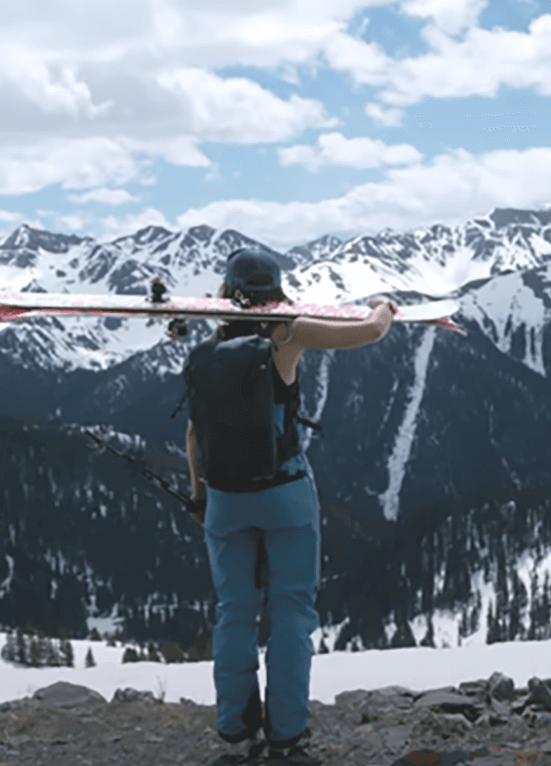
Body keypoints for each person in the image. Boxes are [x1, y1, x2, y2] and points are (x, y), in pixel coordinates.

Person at [184, 248, 396, 766]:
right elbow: (368, 331)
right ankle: (287, 738)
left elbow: (194, 433)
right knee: (291, 613)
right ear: (274, 289)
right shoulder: (287, 334)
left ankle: (235, 732)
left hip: (225, 499)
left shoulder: (206, 352)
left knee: (234, 613)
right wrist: (384, 305)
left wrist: (200, 495)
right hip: (285, 492)